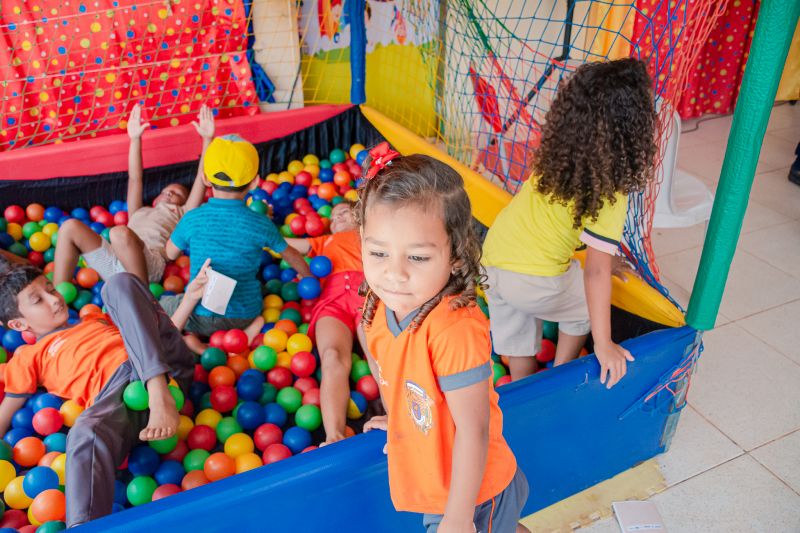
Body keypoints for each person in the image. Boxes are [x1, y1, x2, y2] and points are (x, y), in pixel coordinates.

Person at [358, 143, 529, 533]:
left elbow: (473, 430)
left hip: (473, 493)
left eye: (417, 257)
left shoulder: (453, 329)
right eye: (379, 253)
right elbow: (392, 371)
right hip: (440, 480)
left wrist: (458, 517)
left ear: (455, 255)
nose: (395, 274)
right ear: (363, 239)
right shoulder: (378, 307)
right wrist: (400, 416)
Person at [481, 58, 657, 387]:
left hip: (492, 259)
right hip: (533, 280)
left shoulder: (555, 159)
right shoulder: (610, 189)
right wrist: (603, 343)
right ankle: (558, 377)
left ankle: (523, 388)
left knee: (517, 333)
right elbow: (596, 272)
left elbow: (554, 225)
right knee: (587, 305)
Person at [0, 263, 194, 527]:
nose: (54, 299)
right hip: (122, 396)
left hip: (163, 364)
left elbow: (144, 327)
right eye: (38, 300)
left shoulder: (93, 317)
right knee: (83, 432)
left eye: (51, 289)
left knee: (118, 284)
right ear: (18, 324)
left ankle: (158, 390)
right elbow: (7, 411)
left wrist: (190, 300)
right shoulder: (28, 356)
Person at [161, 134, 311, 342]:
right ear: (254, 183)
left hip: (197, 314)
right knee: (260, 288)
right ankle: (249, 330)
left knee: (163, 304)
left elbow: (170, 253)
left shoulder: (192, 218)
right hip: (244, 315)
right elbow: (291, 254)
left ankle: (195, 340)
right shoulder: (260, 223)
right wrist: (309, 277)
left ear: (205, 178)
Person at [52, 103, 213, 286]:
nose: (169, 193)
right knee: (69, 227)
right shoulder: (138, 210)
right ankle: (57, 294)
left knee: (118, 233)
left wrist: (207, 139)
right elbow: (135, 178)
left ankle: (141, 297)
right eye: (165, 191)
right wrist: (135, 139)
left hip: (148, 265)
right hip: (115, 263)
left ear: (183, 202)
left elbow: (201, 179)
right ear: (154, 199)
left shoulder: (183, 213)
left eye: (176, 193)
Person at [285, 201, 365, 445]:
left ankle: (398, 418)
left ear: (359, 215)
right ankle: (334, 435)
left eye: (344, 212)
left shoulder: (368, 234)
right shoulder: (323, 241)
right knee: (331, 355)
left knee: (379, 354)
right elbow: (282, 244)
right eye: (333, 217)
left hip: (368, 294)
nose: (337, 217)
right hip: (332, 300)